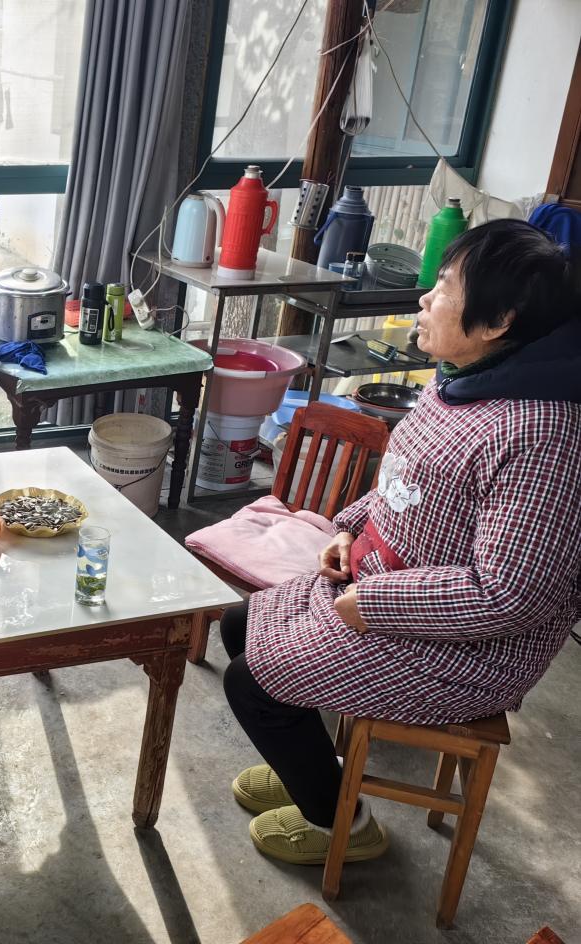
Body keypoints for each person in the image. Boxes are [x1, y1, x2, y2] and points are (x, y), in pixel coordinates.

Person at [223, 219, 581, 865]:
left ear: (498, 320)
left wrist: (375, 602)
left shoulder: (541, 433)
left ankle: (343, 824)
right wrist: (349, 527)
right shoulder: (463, 379)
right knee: (236, 626)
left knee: (252, 685)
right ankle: (312, 768)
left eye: (442, 287)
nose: (423, 297)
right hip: (382, 585)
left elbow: (510, 593)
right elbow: (403, 484)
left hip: (463, 650)